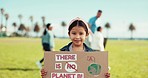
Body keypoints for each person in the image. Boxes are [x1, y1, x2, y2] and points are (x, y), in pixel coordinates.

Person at [40, 17, 110, 78]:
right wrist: (46, 75)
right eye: (74, 33)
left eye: (81, 33)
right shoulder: (62, 53)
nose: (77, 37)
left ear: (87, 35)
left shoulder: (93, 55)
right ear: (69, 34)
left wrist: (103, 76)